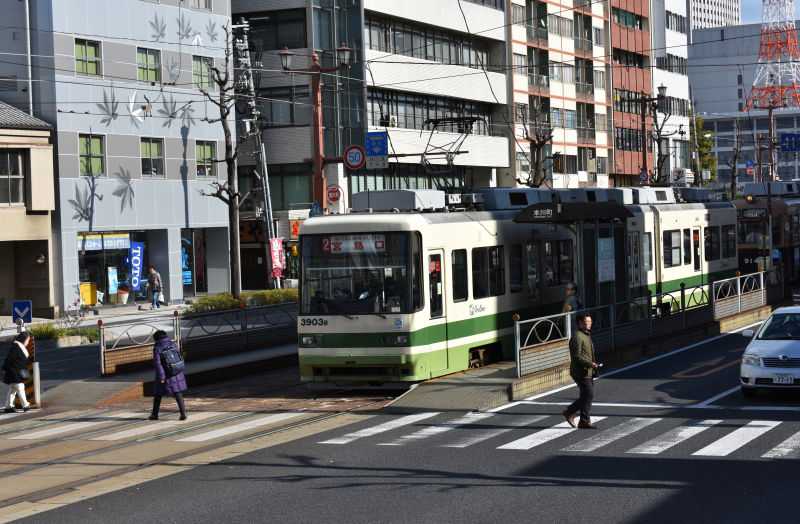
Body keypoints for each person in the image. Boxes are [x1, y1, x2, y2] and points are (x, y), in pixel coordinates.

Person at [563, 314, 598, 429]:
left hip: (587, 370)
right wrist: (590, 364)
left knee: (586, 395)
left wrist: (592, 365)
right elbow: (576, 356)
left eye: (590, 322)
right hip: (580, 371)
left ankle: (584, 421)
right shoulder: (577, 337)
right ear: (579, 323)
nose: (589, 324)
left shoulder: (586, 335)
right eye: (586, 322)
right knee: (588, 394)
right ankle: (569, 412)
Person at [150, 330, 187, 421]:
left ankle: (155, 414)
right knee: (178, 393)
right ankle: (183, 414)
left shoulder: (157, 348)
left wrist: (162, 377)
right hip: (177, 372)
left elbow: (158, 364)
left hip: (166, 374)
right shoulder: (173, 344)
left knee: (158, 394)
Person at [3, 333, 32, 413]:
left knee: (13, 389)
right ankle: (25, 405)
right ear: (23, 339)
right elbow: (9, 359)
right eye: (27, 340)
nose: (27, 342)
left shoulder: (18, 346)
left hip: (16, 372)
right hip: (14, 372)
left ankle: (8, 406)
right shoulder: (16, 347)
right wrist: (5, 369)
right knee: (20, 387)